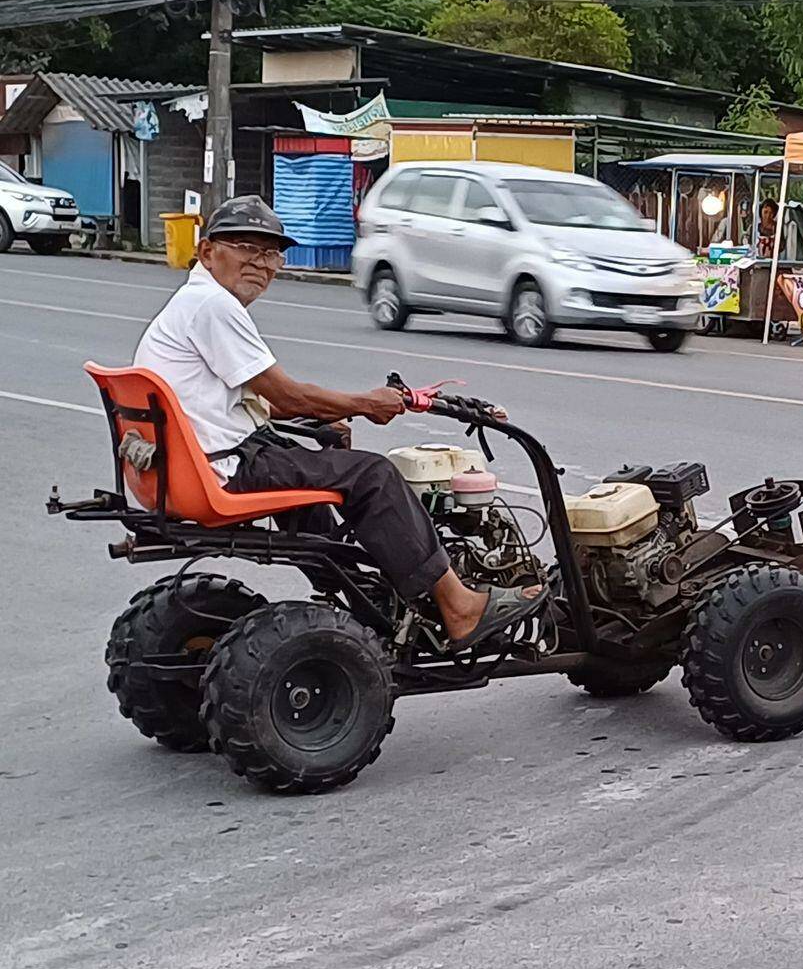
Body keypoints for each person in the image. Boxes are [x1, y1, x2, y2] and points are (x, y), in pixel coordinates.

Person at [133, 195, 544, 652]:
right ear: (208, 251)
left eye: (271, 253)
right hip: (221, 470)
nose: (262, 264)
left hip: (186, 467)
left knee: (313, 456)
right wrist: (366, 403)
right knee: (373, 475)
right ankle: (459, 606)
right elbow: (284, 394)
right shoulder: (213, 306)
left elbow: (256, 402)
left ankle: (362, 594)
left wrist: (331, 415)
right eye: (247, 248)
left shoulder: (191, 303)